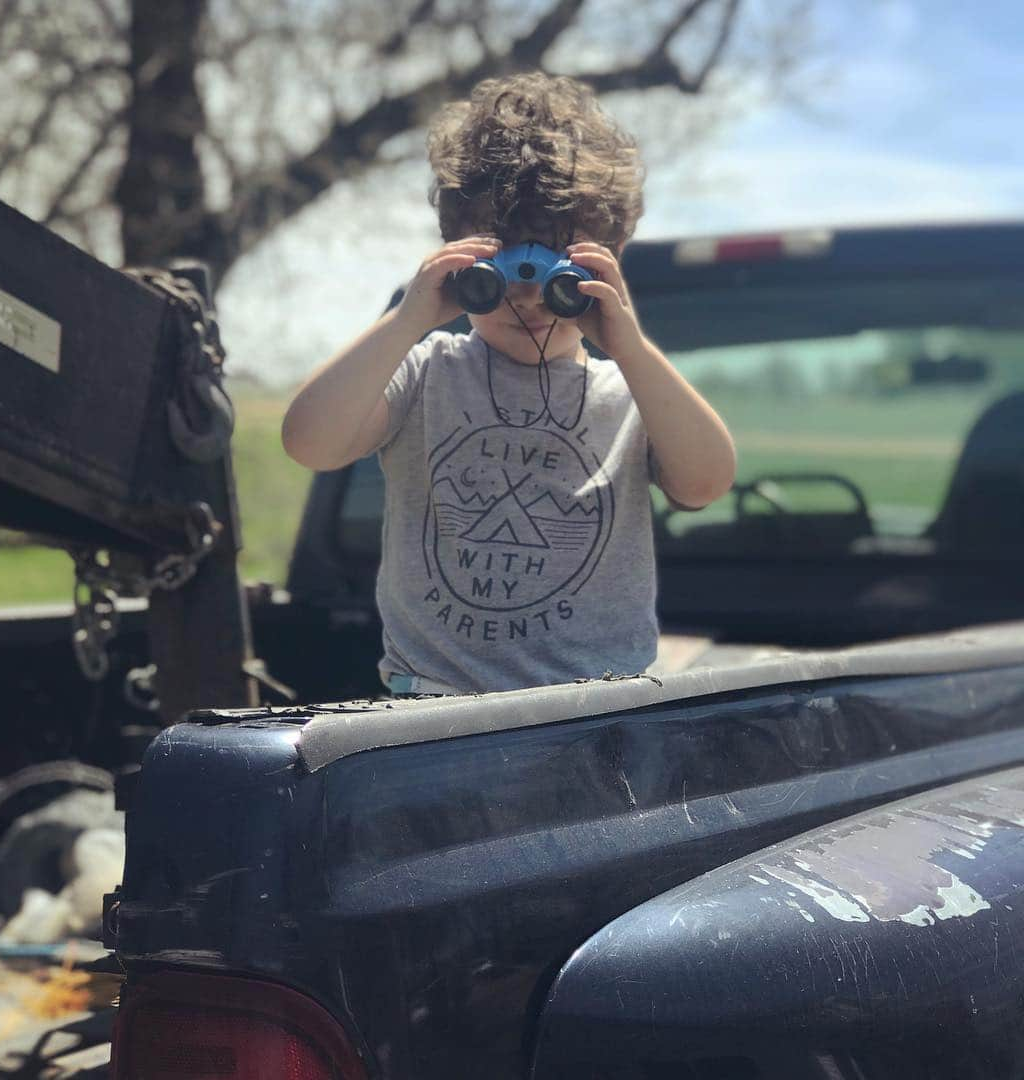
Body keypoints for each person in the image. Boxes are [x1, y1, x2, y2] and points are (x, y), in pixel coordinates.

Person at [282, 72, 736, 695]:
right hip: (437, 704)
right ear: (458, 257)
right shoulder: (425, 372)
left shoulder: (629, 395)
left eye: (559, 281)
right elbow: (311, 442)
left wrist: (631, 345)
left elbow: (705, 481)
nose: (529, 301)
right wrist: (407, 319)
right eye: (500, 275)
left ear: (613, 254)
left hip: (595, 708)